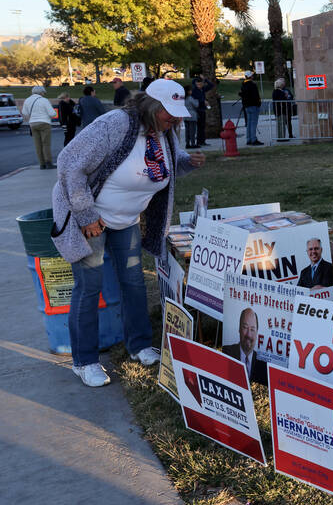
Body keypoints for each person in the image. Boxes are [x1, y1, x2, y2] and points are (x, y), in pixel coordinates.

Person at [51, 79, 205, 387]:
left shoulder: (164, 131)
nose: (174, 119)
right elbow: (69, 163)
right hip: (91, 217)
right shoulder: (116, 123)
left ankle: (139, 344)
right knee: (89, 286)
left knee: (133, 281)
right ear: (151, 106)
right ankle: (84, 361)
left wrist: (188, 162)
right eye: (168, 113)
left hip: (127, 218)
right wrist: (85, 216)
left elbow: (161, 168)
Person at [222, 307, 268, 385]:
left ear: (257, 333)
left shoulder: (263, 364)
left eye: (252, 329)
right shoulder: (226, 353)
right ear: (239, 328)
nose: (248, 334)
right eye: (245, 327)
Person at [21, 86, 57, 169]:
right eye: (43, 92)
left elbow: (24, 113)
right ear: (41, 92)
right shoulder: (44, 100)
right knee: (46, 144)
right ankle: (48, 163)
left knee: (38, 145)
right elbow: (52, 113)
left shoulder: (27, 100)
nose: (44, 94)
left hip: (33, 124)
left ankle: (42, 164)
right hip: (44, 123)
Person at [239, 70, 263, 145]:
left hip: (246, 106)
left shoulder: (243, 84)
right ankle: (253, 139)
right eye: (252, 75)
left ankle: (248, 139)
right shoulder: (252, 85)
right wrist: (258, 103)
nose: (253, 76)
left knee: (249, 123)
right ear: (250, 76)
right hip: (253, 106)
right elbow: (255, 96)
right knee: (253, 123)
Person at [190, 75, 212, 146]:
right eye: (197, 84)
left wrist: (205, 79)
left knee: (202, 126)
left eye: (200, 84)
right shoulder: (194, 90)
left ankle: (202, 141)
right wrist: (203, 102)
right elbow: (195, 100)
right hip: (197, 110)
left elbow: (211, 85)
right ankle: (199, 141)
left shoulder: (202, 89)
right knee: (199, 127)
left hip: (203, 109)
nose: (199, 85)